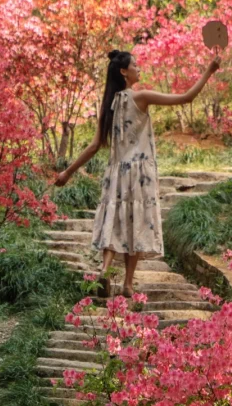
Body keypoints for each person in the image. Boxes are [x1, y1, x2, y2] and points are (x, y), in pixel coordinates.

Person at [54, 49, 221, 299]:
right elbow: (186, 98)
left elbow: (94, 146)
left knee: (115, 220)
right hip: (140, 172)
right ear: (124, 71)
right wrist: (210, 70)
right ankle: (128, 284)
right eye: (135, 65)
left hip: (116, 172)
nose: (138, 68)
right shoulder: (140, 97)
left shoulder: (109, 105)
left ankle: (105, 268)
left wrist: (67, 172)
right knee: (135, 223)